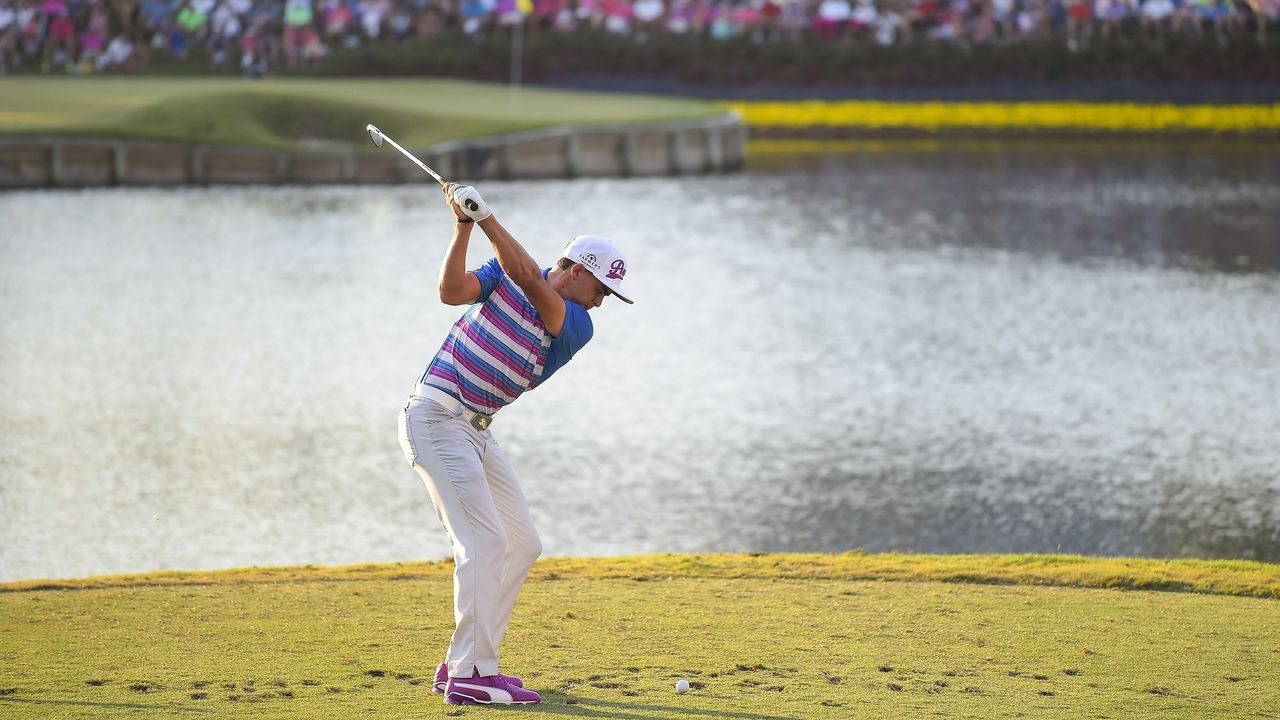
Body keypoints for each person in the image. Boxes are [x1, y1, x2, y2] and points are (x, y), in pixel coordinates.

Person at [398, 182, 633, 706]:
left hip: (475, 430)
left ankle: (473, 663)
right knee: (484, 544)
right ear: (576, 270)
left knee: (521, 542)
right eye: (601, 290)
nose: (602, 303)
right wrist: (464, 226)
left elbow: (529, 278)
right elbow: (452, 292)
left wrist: (486, 218)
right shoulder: (504, 272)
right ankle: (470, 675)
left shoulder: (576, 323)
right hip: (435, 418)